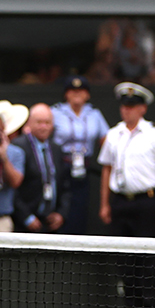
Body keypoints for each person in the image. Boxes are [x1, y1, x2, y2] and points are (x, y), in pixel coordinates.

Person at [97, 82, 155, 308]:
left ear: (142, 108)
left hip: (147, 203)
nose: (127, 111)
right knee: (124, 259)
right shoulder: (113, 134)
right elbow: (106, 170)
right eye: (124, 106)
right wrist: (104, 204)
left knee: (149, 258)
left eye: (132, 106)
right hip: (120, 203)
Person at [51, 75, 106, 235]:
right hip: (61, 165)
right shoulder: (56, 111)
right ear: (66, 94)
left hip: (84, 167)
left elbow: (106, 140)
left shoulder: (94, 113)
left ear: (87, 94)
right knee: (61, 205)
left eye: (81, 91)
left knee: (81, 208)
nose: (77, 94)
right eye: (72, 91)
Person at [14, 103, 69, 233]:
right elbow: (12, 188)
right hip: (26, 221)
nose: (43, 127)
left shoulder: (57, 149)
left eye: (47, 122)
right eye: (39, 122)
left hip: (51, 221)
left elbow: (65, 185)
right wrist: (26, 217)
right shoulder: (18, 147)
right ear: (29, 123)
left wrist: (61, 213)